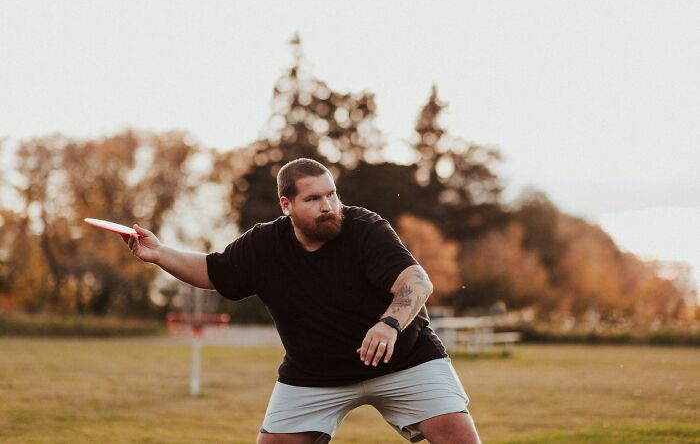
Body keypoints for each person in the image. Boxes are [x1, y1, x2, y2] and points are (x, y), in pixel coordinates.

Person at [125, 158, 481, 444]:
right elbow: (212, 271)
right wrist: (159, 253)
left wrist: (389, 324)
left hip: (405, 362)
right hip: (315, 376)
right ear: (287, 204)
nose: (327, 206)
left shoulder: (365, 228)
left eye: (332, 194)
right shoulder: (263, 245)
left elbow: (416, 281)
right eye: (313, 199)